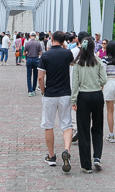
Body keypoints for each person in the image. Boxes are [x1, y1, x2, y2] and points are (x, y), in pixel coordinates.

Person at [37, 31, 74, 173]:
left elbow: (40, 77)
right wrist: (65, 46)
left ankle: (51, 156)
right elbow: (71, 62)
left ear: (51, 39)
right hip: (65, 93)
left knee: (48, 125)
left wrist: (43, 90)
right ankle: (66, 150)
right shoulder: (67, 53)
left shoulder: (45, 55)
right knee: (67, 124)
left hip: (50, 94)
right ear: (64, 40)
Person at [71, 38, 107, 173]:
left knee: (84, 130)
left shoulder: (78, 64)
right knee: (97, 128)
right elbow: (104, 79)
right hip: (97, 95)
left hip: (83, 97)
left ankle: (86, 165)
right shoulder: (98, 61)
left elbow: (75, 85)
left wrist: (73, 101)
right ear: (93, 48)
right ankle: (97, 156)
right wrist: (98, 84)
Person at [24, 31, 42, 96]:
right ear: (35, 36)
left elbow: (24, 53)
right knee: (35, 75)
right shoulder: (38, 43)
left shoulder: (27, 43)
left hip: (29, 59)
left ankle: (30, 90)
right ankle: (34, 89)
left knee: (29, 76)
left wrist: (27, 54)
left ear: (30, 36)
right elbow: (40, 53)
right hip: (36, 59)